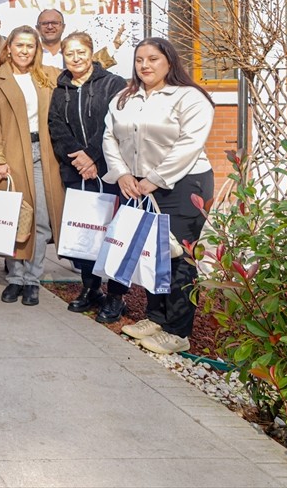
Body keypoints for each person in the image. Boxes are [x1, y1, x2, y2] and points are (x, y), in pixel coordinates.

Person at [103, 38, 215, 355]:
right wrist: (123, 173)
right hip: (138, 185)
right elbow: (109, 136)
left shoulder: (189, 97)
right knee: (151, 253)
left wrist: (154, 178)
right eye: (140, 59)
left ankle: (178, 330)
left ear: (169, 62)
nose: (145, 65)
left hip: (184, 184)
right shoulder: (125, 98)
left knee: (178, 255)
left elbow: (189, 144)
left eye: (153, 59)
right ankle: (155, 317)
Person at [0, 26, 64, 307]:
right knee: (13, 218)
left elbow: (85, 70)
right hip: (11, 153)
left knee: (40, 219)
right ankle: (15, 277)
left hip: (44, 153)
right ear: (10, 47)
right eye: (19, 45)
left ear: (36, 49)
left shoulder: (49, 76)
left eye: (30, 46)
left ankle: (33, 279)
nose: (24, 50)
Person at [47, 31, 128, 320]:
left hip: (109, 172)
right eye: (70, 53)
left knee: (115, 235)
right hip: (77, 173)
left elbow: (113, 123)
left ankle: (116, 296)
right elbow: (55, 126)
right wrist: (79, 160)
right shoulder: (60, 90)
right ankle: (90, 288)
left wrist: (92, 155)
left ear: (92, 52)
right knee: (85, 233)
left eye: (81, 51)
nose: (76, 58)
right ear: (63, 56)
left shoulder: (113, 84)